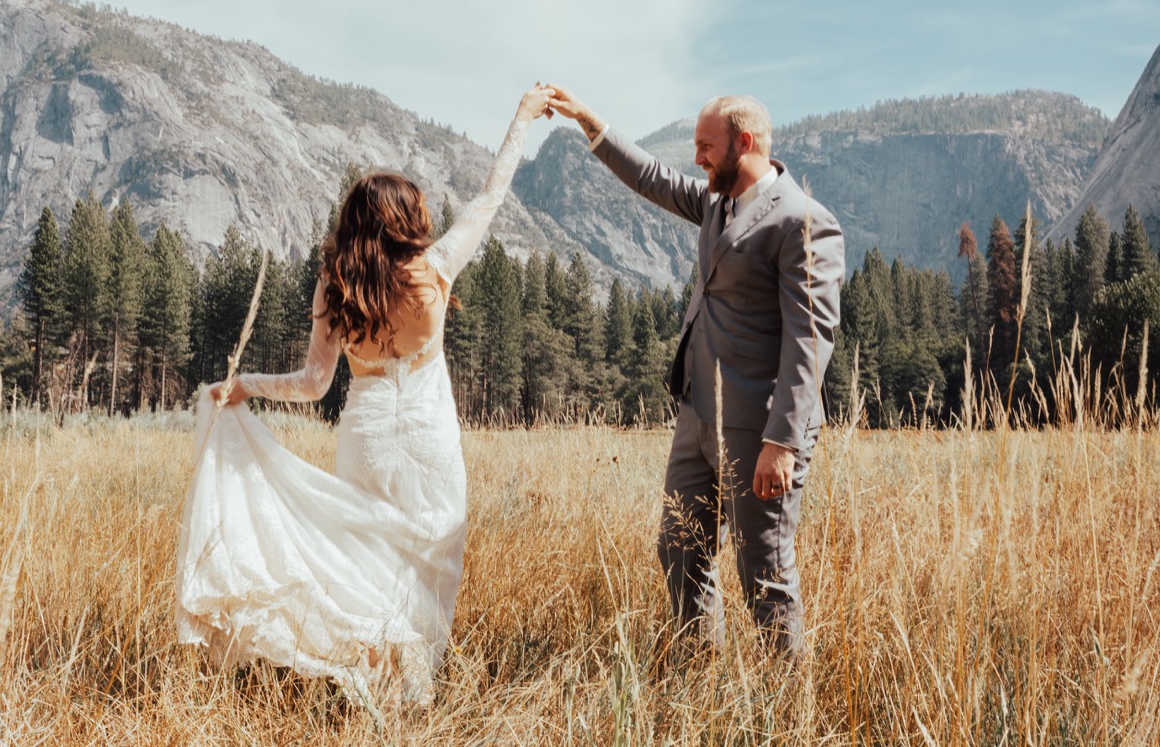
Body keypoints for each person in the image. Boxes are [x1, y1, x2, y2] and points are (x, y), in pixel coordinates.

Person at [174, 84, 553, 705]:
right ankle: (410, 689)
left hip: (368, 436)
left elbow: (312, 385)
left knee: (361, 556)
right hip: (429, 439)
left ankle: (367, 676)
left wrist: (244, 386)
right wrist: (521, 119)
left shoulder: (337, 287)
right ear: (408, 220)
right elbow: (490, 197)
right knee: (432, 560)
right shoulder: (434, 270)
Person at [545, 87, 844, 655]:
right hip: (697, 416)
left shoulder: (804, 223)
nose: (698, 159)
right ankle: (698, 674)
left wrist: (781, 442)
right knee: (680, 549)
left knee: (764, 574)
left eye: (707, 146)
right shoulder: (717, 201)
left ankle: (788, 711)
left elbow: (810, 340)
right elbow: (652, 177)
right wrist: (592, 123)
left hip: (761, 430)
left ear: (745, 143)